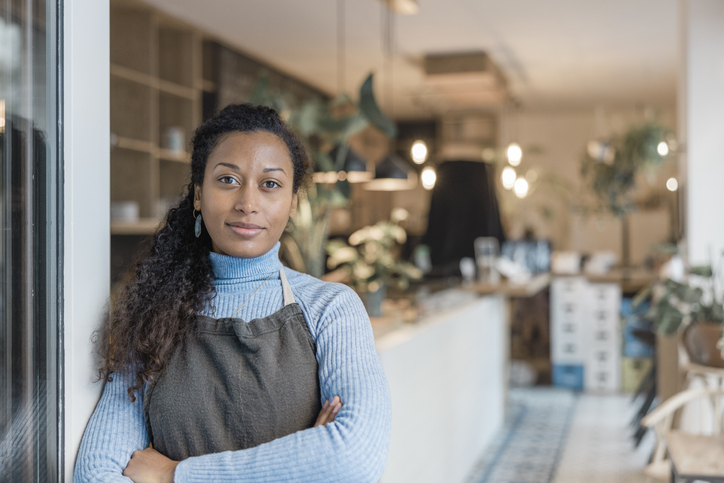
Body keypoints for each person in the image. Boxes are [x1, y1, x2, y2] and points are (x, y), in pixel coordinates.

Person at [74, 104, 392, 483]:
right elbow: (96, 474)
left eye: (270, 184)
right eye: (227, 180)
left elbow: (354, 458)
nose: (247, 203)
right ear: (198, 194)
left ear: (292, 203)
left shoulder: (331, 309)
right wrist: (300, 464)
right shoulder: (149, 314)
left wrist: (174, 475)